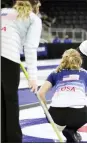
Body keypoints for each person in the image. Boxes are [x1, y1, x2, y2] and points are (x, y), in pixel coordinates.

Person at [38, 49, 87, 142]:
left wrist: (47, 113)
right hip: (78, 115)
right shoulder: (85, 73)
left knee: (65, 113)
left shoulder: (55, 72)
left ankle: (70, 129)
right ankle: (72, 129)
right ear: (79, 60)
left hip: (55, 116)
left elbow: (40, 93)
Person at [1, 0, 42, 142]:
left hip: (5, 56)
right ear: (35, 5)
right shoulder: (33, 18)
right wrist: (33, 77)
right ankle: (13, 139)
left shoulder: (4, 12)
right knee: (11, 101)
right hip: (9, 58)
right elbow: (30, 48)